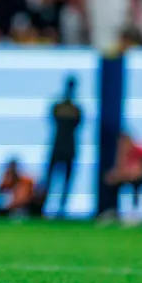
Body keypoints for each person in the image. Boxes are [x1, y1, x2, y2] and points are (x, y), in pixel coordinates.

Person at [104, 132, 142, 224]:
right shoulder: (123, 152)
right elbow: (122, 170)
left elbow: (139, 172)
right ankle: (112, 210)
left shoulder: (140, 151)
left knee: (137, 182)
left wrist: (120, 176)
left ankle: (135, 212)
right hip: (134, 177)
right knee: (114, 184)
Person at [44, 75, 82, 217]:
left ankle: (62, 208)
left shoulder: (75, 109)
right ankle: (44, 206)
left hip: (69, 148)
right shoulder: (59, 107)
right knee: (50, 179)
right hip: (58, 146)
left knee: (66, 181)